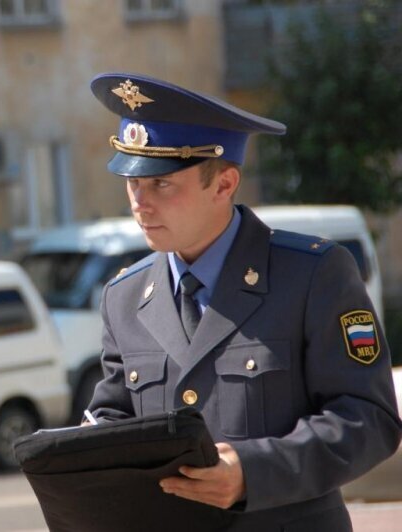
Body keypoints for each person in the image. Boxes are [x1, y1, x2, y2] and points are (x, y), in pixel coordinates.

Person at [85, 72, 402, 531]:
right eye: (132, 183)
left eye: (162, 184)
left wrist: (252, 473)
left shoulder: (313, 275)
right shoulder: (124, 296)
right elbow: (112, 418)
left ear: (224, 183)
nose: (140, 203)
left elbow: (369, 419)